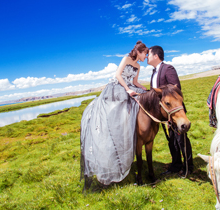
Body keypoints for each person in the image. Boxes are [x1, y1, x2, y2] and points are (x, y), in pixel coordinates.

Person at [80, 41, 148, 186]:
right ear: (139, 52)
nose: (146, 56)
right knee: (119, 113)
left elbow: (135, 81)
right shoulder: (126, 59)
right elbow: (118, 75)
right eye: (145, 53)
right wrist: (127, 89)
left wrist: (143, 87)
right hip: (118, 87)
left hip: (130, 86)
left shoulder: (139, 66)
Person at [147, 45, 193, 176]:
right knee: (171, 140)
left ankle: (188, 167)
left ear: (156, 56)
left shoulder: (168, 68)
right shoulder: (154, 73)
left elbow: (175, 90)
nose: (147, 57)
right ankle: (175, 165)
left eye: (149, 54)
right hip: (164, 112)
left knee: (181, 139)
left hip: (174, 112)